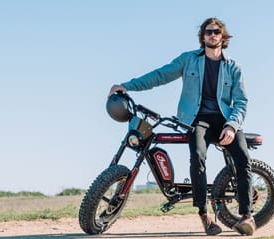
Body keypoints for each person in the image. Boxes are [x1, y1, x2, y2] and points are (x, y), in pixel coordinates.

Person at [108, 17, 255, 236]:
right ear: (202, 36)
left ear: (223, 37)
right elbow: (160, 75)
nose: (212, 35)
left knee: (243, 158)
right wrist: (127, 86)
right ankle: (204, 216)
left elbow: (241, 102)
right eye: (208, 32)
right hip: (198, 120)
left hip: (225, 120)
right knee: (197, 156)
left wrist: (232, 126)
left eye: (216, 32)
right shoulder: (189, 60)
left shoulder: (233, 67)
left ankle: (247, 216)